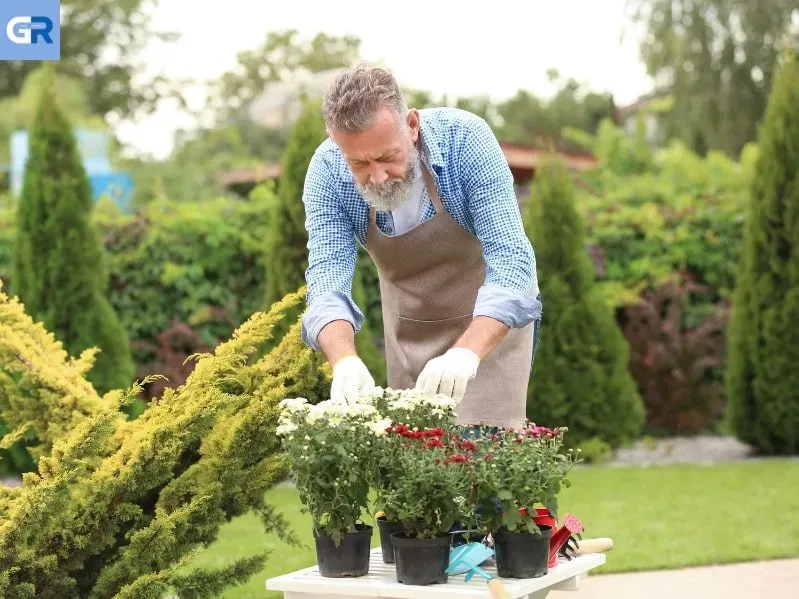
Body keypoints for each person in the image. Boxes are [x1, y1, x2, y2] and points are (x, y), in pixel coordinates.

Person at [300, 64, 541, 431]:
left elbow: (512, 262)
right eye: (359, 163)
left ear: (411, 125)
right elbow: (327, 279)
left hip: (489, 330)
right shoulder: (327, 173)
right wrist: (345, 361)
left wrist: (465, 354)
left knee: (486, 465)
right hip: (411, 336)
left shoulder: (466, 141)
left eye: (386, 157)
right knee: (419, 471)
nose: (377, 176)